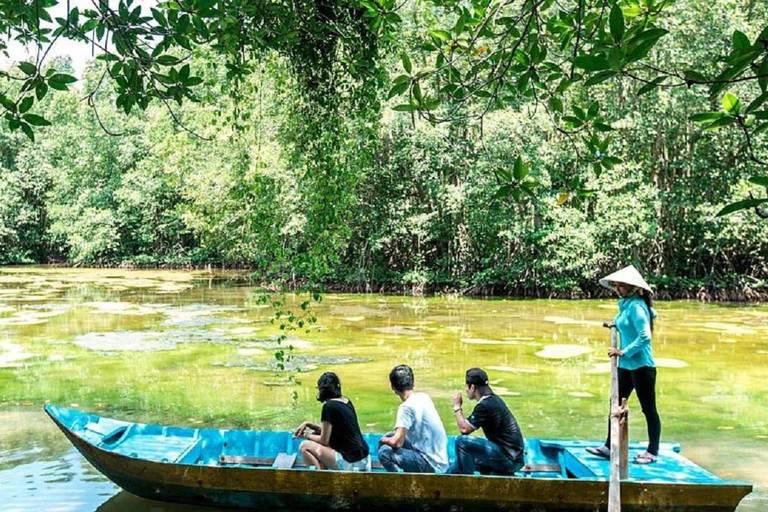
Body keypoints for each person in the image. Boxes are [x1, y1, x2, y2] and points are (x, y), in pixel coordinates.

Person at [586, 265, 661, 464]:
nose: (618, 289)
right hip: (626, 366)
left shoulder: (636, 307)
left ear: (633, 288)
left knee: (648, 409)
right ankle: (609, 446)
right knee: (615, 404)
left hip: (642, 366)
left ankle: (652, 452)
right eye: (616, 286)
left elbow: (645, 337)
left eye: (621, 286)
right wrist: (615, 325)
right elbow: (648, 315)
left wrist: (622, 351)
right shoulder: (626, 305)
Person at [447, 368, 525, 475]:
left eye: (466, 386)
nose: (466, 390)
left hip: (509, 460)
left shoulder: (485, 405)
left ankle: (465, 484)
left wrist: (457, 406)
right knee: (464, 458)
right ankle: (442, 481)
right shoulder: (493, 400)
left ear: (473, 387)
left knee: (461, 442)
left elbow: (464, 429)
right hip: (513, 457)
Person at [378, 364, 449, 473]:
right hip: (440, 459)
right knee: (390, 435)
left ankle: (399, 482)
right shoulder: (424, 397)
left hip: (430, 463)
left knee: (384, 453)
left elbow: (397, 443)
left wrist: (382, 441)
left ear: (393, 387)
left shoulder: (405, 408)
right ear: (413, 383)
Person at [294, 372, 371, 471]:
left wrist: (305, 435)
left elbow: (324, 441)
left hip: (350, 462)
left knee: (304, 446)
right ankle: (324, 474)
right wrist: (309, 424)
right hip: (363, 459)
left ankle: (321, 481)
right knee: (315, 439)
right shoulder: (346, 401)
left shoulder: (329, 406)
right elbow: (331, 432)